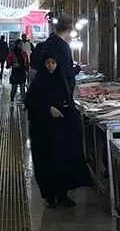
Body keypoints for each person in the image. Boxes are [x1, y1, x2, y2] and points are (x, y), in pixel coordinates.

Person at [25, 55, 91, 208]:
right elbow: (30, 101)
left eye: (53, 63)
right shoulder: (39, 81)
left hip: (60, 129)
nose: (50, 66)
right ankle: (49, 196)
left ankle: (62, 195)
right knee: (47, 163)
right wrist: (48, 109)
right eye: (47, 63)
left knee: (62, 161)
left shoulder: (61, 80)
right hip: (43, 131)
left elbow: (67, 100)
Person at [31, 16, 76, 92]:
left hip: (42, 88)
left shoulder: (42, 45)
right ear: (69, 30)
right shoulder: (63, 46)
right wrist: (77, 69)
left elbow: (35, 65)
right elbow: (66, 72)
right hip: (56, 91)